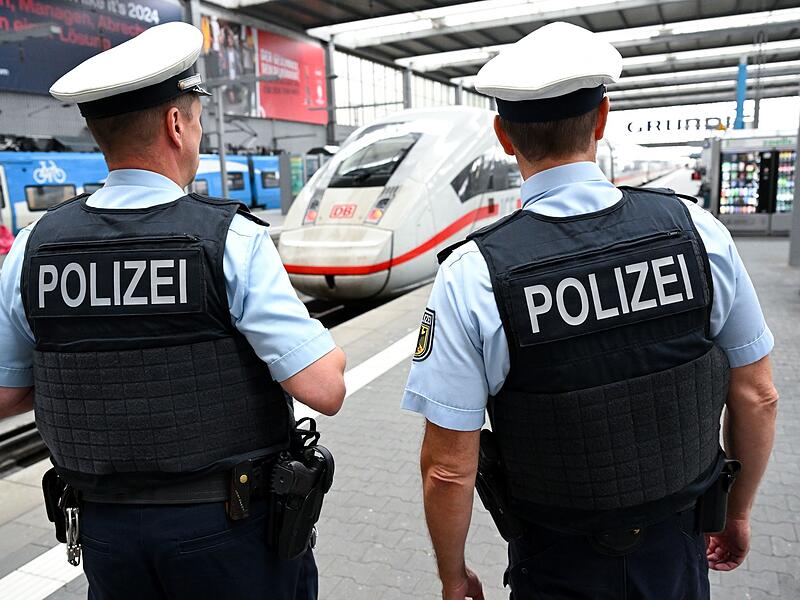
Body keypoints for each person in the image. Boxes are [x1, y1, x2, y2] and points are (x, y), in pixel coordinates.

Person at [402, 22, 778, 600]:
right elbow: (757, 394)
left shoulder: (473, 274)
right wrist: (738, 511)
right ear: (602, 120)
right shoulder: (699, 233)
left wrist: (452, 577)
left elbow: (448, 467)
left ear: (504, 136)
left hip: (555, 560)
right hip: (676, 550)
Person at [0, 22, 346, 600]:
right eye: (199, 118)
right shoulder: (229, 239)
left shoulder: (35, 249)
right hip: (229, 531)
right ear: (176, 123)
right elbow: (324, 389)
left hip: (105, 534)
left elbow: (7, 394)